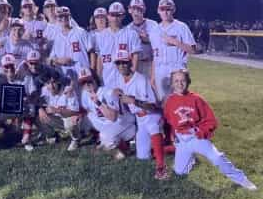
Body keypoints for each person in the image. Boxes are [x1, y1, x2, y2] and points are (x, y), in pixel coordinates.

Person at [164, 69, 257, 190]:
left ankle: (242, 179)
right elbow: (169, 121)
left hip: (196, 137)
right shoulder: (169, 101)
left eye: (183, 80)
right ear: (171, 83)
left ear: (188, 81)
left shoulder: (196, 99)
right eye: (176, 81)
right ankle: (190, 159)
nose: (180, 84)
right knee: (179, 172)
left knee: (217, 158)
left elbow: (211, 121)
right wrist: (173, 136)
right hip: (182, 140)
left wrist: (199, 131)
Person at [113, 50, 168, 180]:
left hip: (152, 116)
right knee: (143, 156)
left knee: (154, 128)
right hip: (139, 119)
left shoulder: (141, 79)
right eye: (118, 63)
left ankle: (161, 166)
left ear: (130, 63)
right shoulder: (119, 79)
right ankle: (173, 148)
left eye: (124, 63)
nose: (121, 66)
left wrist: (133, 101)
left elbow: (153, 106)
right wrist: (116, 94)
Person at [79, 69, 135, 160]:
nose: (87, 84)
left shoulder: (107, 92)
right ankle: (103, 140)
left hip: (123, 122)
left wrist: (98, 103)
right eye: (83, 82)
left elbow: (113, 118)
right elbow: (87, 110)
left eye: (89, 80)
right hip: (106, 123)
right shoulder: (85, 94)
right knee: (83, 120)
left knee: (105, 137)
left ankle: (123, 147)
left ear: (95, 79)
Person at [149, 0, 196, 102]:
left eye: (168, 9)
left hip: (177, 68)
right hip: (160, 70)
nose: (165, 12)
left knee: (179, 101)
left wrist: (175, 42)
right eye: (162, 9)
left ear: (173, 10)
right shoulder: (154, 30)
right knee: (163, 102)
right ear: (158, 10)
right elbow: (154, 55)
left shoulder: (181, 27)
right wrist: (153, 75)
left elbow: (193, 50)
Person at [94, 2, 141, 88]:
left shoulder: (131, 34)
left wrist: (132, 77)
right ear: (108, 16)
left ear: (123, 16)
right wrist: (98, 78)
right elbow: (100, 59)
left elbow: (135, 57)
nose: (115, 18)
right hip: (107, 78)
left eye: (118, 15)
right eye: (112, 15)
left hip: (125, 78)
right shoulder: (101, 36)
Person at [38, 71, 81, 151]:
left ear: (58, 81)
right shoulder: (44, 89)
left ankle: (76, 139)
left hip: (69, 118)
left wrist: (57, 110)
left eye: (53, 82)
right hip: (58, 120)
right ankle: (52, 136)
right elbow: (38, 101)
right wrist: (40, 108)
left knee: (72, 122)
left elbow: (75, 112)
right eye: (48, 83)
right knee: (39, 115)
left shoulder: (68, 90)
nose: (51, 86)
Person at [49, 6, 92, 85]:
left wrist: (92, 70)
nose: (63, 18)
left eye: (66, 16)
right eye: (60, 16)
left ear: (70, 16)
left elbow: (92, 52)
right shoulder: (56, 37)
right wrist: (58, 60)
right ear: (57, 18)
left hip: (83, 75)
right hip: (66, 77)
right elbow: (51, 58)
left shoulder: (81, 32)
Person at [126, 0, 158, 78]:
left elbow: (160, 43)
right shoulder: (127, 29)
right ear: (129, 10)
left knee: (153, 89)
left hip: (151, 63)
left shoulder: (153, 25)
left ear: (144, 10)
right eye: (134, 9)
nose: (136, 11)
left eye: (139, 9)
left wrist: (148, 40)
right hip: (135, 64)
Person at [89, 7, 107, 81]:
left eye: (102, 17)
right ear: (94, 20)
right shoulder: (92, 34)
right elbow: (93, 56)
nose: (100, 20)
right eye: (97, 17)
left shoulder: (112, 32)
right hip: (98, 66)